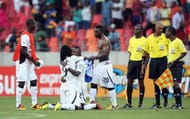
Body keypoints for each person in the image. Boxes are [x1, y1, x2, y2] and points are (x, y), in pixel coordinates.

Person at [41, 46, 101, 110]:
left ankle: (49, 105)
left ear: (79, 53)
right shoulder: (72, 60)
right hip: (73, 86)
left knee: (74, 104)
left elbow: (67, 75)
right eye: (72, 51)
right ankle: (94, 105)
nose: (73, 53)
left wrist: (63, 77)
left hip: (78, 86)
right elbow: (76, 73)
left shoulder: (66, 62)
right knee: (78, 106)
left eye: (75, 51)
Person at [12, 18, 42, 110]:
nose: (35, 26)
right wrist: (34, 61)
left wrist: (35, 60)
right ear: (29, 25)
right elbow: (23, 51)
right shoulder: (25, 36)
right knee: (21, 83)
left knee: (33, 81)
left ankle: (34, 103)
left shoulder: (30, 35)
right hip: (23, 62)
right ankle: (18, 105)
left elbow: (29, 51)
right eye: (34, 24)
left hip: (29, 63)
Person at [89, 25, 118, 110]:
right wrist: (94, 58)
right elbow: (100, 53)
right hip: (100, 65)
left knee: (109, 85)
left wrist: (94, 57)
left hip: (106, 65)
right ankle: (92, 102)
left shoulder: (105, 41)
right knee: (93, 83)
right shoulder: (100, 40)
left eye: (96, 31)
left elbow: (105, 55)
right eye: (94, 31)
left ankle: (114, 105)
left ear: (101, 32)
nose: (95, 33)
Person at [123, 24, 148, 108]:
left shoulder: (145, 40)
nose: (134, 31)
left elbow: (147, 55)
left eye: (136, 29)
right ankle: (129, 103)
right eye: (134, 29)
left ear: (141, 31)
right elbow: (130, 52)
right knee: (129, 82)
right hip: (132, 62)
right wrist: (129, 63)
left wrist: (144, 66)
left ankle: (140, 103)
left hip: (140, 62)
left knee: (141, 81)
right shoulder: (131, 40)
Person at [146, 23, 171, 109]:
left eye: (162, 28)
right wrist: (144, 64)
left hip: (163, 60)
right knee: (155, 82)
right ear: (155, 28)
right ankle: (157, 103)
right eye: (160, 28)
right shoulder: (149, 38)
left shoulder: (166, 37)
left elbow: (171, 47)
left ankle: (166, 103)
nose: (161, 30)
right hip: (153, 61)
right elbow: (146, 52)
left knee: (163, 82)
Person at [165, 26, 187, 109]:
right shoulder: (170, 43)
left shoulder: (178, 41)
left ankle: (179, 104)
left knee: (176, 84)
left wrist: (175, 60)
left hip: (177, 64)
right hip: (171, 65)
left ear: (170, 32)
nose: (165, 33)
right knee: (174, 85)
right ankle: (177, 104)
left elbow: (184, 52)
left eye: (166, 31)